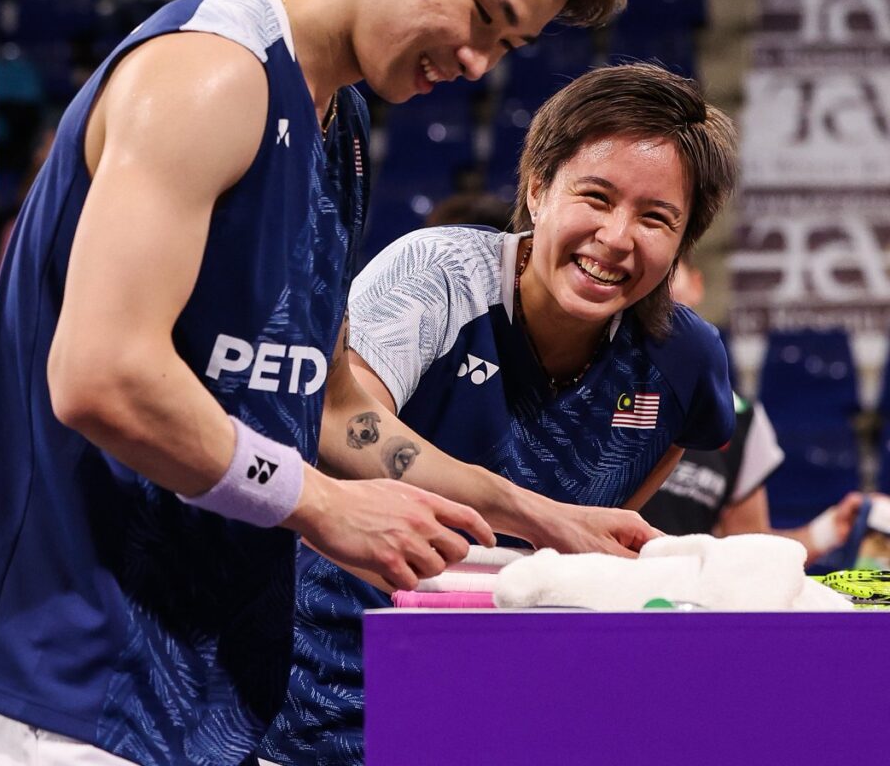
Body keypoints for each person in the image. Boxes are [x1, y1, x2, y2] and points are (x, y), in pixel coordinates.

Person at [0, 0, 642, 766]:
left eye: (506, 47)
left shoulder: (336, 127)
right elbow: (101, 376)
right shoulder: (209, 75)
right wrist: (322, 509)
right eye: (482, 15)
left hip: (192, 698)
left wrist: (535, 515)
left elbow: (334, 407)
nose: (476, 65)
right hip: (57, 688)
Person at [259, 64, 739, 766]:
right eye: (596, 197)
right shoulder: (438, 273)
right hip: (323, 699)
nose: (616, 237)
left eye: (656, 218)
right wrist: (540, 513)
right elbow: (342, 425)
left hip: (518, 710)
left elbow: (609, 519)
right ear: (538, 188)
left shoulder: (685, 360)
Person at [641, 258, 864, 564]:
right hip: (590, 595)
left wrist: (828, 530)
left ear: (696, 285)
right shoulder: (585, 387)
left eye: (670, 271)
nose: (659, 286)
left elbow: (748, 547)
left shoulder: (742, 419)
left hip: (682, 602)